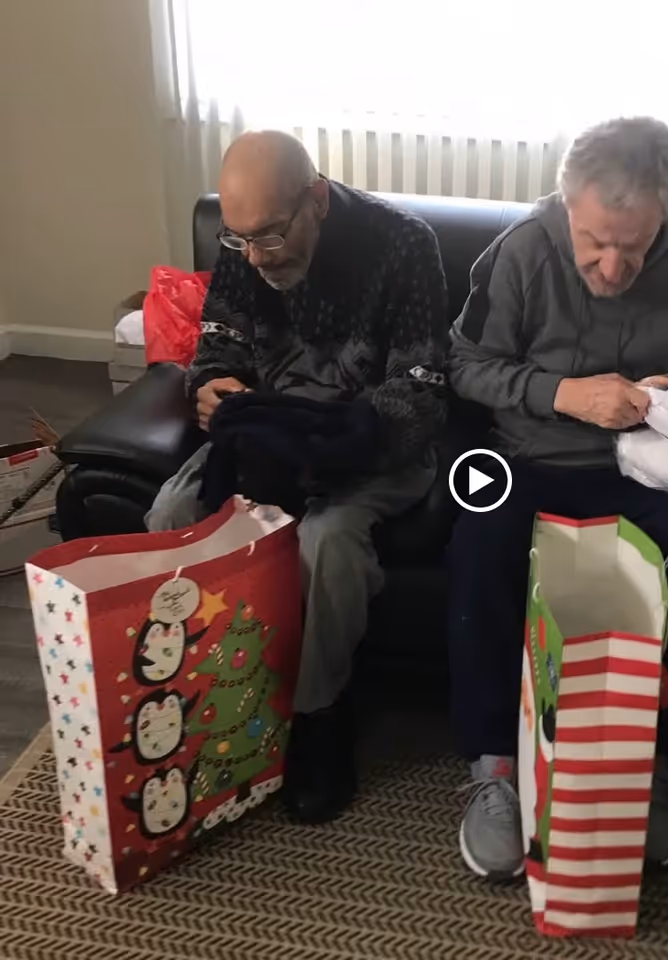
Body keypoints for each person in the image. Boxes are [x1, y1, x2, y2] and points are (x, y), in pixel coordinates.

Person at [447, 117, 668, 879]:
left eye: (633, 247)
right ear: (567, 204)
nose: (612, 267)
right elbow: (465, 366)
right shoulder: (519, 251)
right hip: (530, 453)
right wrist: (562, 393)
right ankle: (494, 767)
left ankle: (661, 761)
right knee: (478, 535)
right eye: (593, 242)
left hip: (653, 464)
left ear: (667, 218)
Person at [145, 131, 448, 823]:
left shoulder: (404, 245)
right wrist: (214, 384)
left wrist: (326, 447)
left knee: (325, 545)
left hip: (370, 443)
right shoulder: (243, 243)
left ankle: (318, 719)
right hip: (266, 437)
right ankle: (210, 698)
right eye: (240, 239)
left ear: (316, 199)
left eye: (271, 237)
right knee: (170, 515)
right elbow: (217, 343)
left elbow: (421, 395)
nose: (254, 257)